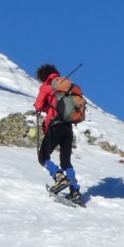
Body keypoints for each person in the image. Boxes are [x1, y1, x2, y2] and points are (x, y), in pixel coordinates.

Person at [32, 63, 83, 204]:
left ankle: (59, 177)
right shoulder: (68, 87)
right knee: (66, 161)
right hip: (68, 127)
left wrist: (40, 107)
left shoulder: (46, 88)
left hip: (54, 126)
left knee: (43, 156)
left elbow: (38, 106)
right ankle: (75, 191)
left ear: (43, 77)